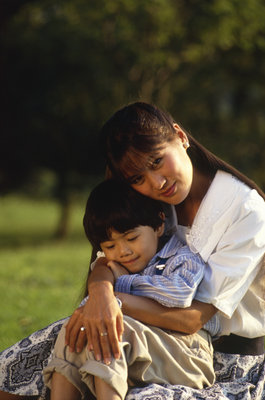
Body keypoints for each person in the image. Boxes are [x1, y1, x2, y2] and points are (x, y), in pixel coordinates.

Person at [0, 101, 264, 400]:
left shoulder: (246, 210)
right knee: (20, 368)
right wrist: (100, 295)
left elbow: (192, 320)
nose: (157, 182)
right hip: (142, 331)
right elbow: (107, 260)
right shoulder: (151, 201)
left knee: (111, 358)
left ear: (180, 137)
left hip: (224, 360)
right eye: (138, 178)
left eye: (156, 161)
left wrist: (113, 300)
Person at [43, 178, 217, 400]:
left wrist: (120, 288)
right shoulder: (114, 265)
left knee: (112, 330)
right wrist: (97, 305)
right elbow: (100, 278)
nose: (123, 251)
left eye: (131, 238)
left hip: (187, 355)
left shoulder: (183, 257)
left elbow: (178, 294)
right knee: (77, 331)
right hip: (143, 350)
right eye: (110, 246)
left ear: (158, 224)